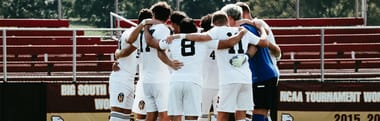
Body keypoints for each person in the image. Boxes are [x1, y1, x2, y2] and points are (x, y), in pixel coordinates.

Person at [167, 11, 268, 121]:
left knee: (222, 114)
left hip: (228, 79)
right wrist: (261, 28)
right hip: (246, 78)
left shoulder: (217, 31)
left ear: (213, 24)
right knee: (241, 114)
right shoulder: (243, 31)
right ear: (227, 22)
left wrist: (180, 35)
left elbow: (203, 37)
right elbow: (264, 43)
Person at [234, 2, 281, 121]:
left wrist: (246, 56)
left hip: (262, 73)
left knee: (259, 110)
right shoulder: (254, 25)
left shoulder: (255, 25)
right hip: (263, 72)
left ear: (243, 13)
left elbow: (261, 45)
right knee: (261, 111)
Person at [110, 8, 153, 121]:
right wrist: (118, 55)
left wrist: (117, 54)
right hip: (121, 77)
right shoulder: (132, 33)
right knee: (117, 113)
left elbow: (120, 52)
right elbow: (126, 51)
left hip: (129, 79)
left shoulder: (143, 36)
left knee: (125, 115)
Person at [141, 2, 173, 121]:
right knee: (164, 113)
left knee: (151, 114)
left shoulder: (145, 30)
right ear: (168, 17)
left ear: (153, 14)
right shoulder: (164, 29)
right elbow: (161, 49)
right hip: (160, 78)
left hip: (147, 78)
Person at [198, 14, 219, 121]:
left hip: (204, 83)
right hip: (220, 82)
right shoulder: (222, 40)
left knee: (203, 115)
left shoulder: (200, 42)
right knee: (218, 115)